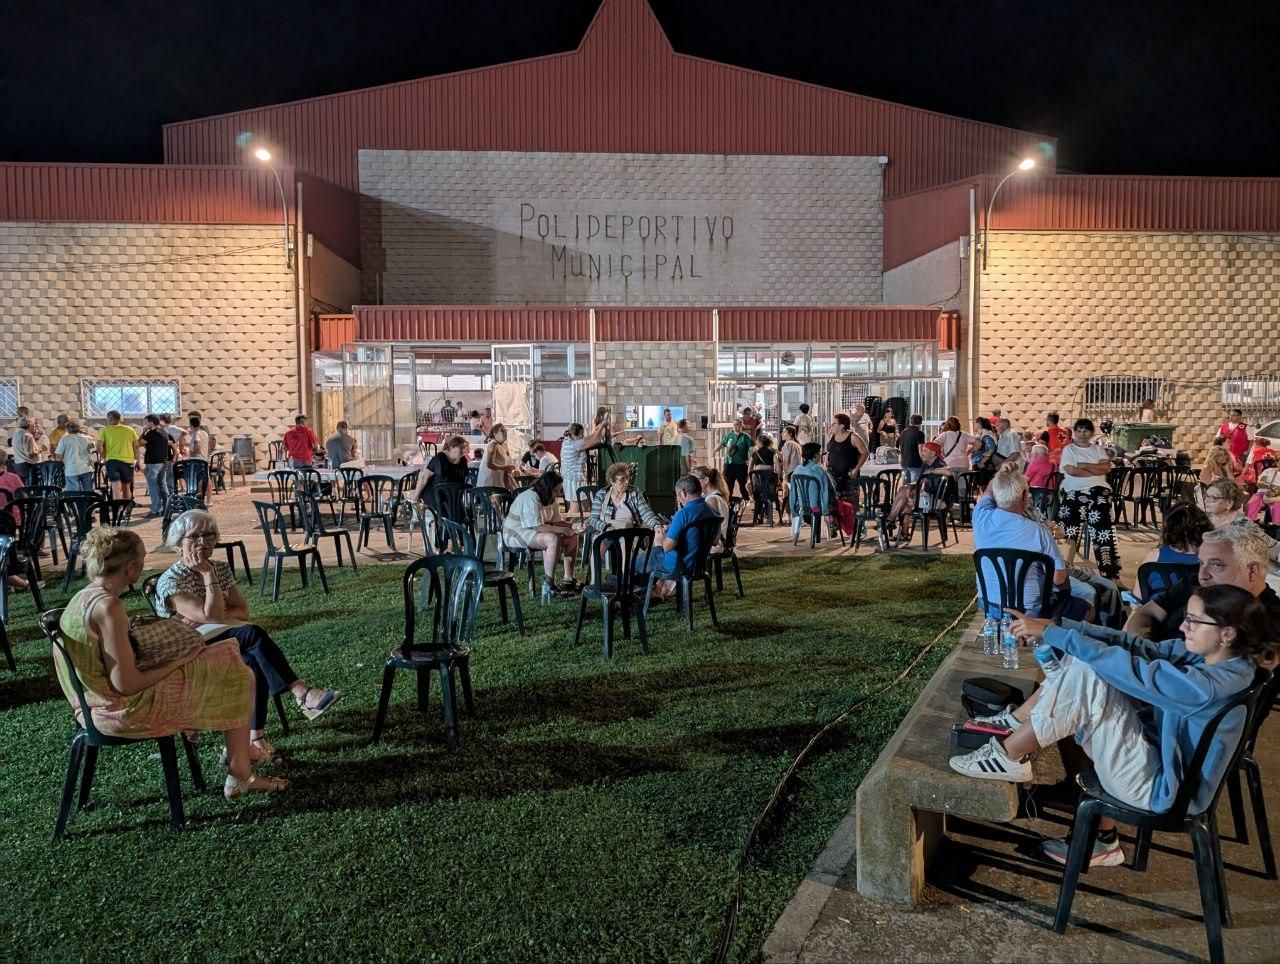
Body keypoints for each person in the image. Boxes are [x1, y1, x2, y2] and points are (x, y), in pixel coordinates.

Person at [952, 584, 1268, 867]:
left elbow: (1139, 673)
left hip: (1160, 791)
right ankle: (1013, 742)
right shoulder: (1221, 661)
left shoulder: (1207, 686)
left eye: (1194, 621)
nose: (1184, 626)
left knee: (1089, 672)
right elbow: (1142, 649)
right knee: (1084, 664)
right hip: (1159, 763)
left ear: (1227, 633)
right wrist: (1058, 626)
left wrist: (1056, 636)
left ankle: (1008, 751)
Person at [55, 527, 287, 799]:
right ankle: (240, 771)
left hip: (93, 703)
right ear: (131, 567)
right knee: (236, 672)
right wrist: (179, 660)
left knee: (228, 662)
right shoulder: (109, 608)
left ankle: (241, 757)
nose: (143, 566)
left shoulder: (84, 597)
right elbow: (126, 684)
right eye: (142, 560)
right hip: (123, 712)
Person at [158, 510, 342, 762]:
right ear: (179, 542)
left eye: (209, 535)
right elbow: (212, 617)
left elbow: (241, 612)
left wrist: (211, 608)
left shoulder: (220, 568)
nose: (203, 542)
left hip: (225, 637)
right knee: (253, 634)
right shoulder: (173, 578)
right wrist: (209, 581)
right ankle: (301, 693)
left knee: (253, 657)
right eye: (195, 537)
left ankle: (255, 739)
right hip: (188, 650)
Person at [1125, 522, 1280, 645]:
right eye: (1201, 563)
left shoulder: (1269, 622)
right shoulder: (1195, 583)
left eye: (1216, 564)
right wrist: (1147, 649)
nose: (1202, 575)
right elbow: (1148, 612)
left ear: (1252, 571)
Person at [971, 462, 1075, 617]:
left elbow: (988, 490)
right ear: (1025, 496)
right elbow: (1059, 578)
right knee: (1083, 601)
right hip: (1030, 611)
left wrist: (1001, 473)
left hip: (990, 605)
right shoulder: (1039, 532)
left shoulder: (980, 517)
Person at [638, 474, 721, 599]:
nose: (679, 500)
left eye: (678, 496)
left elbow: (666, 547)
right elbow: (715, 541)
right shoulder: (714, 512)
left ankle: (632, 595)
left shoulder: (683, 514)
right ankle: (651, 592)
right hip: (698, 566)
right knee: (648, 558)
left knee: (639, 560)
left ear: (683, 493)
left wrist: (660, 539)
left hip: (678, 565)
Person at [502, 470, 581, 597]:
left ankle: (569, 578)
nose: (558, 493)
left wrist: (574, 526)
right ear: (547, 488)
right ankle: (549, 585)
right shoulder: (530, 497)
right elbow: (537, 526)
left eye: (560, 490)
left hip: (532, 530)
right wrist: (564, 530)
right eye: (556, 490)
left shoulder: (551, 498)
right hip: (516, 532)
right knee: (552, 539)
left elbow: (556, 522)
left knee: (572, 536)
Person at [1058, 418, 1119, 579]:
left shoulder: (1099, 450)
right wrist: (1094, 469)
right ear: (1074, 432)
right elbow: (1071, 471)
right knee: (1068, 525)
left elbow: (1105, 468)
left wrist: (1082, 465)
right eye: (1079, 430)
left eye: (1086, 430)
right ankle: (1064, 566)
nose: (1082, 433)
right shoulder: (1069, 450)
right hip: (1074, 489)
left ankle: (1110, 571)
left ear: (1091, 432)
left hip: (1098, 490)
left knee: (1102, 527)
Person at [1134, 503, 1212, 600]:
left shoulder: (1155, 556)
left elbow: (1137, 599)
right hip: (1200, 612)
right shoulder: (1213, 558)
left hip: (1158, 612)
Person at [881, 440, 952, 547]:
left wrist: (932, 471)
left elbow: (949, 471)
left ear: (933, 453)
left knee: (905, 501)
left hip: (936, 500)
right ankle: (897, 527)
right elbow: (919, 481)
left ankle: (892, 521)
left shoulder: (939, 463)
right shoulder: (925, 464)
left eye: (925, 451)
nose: (922, 453)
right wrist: (911, 488)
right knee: (904, 494)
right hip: (925, 496)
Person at [410, 435, 470, 543]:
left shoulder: (462, 461)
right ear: (451, 447)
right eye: (461, 448)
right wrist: (415, 498)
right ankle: (442, 543)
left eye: (465, 448)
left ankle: (460, 543)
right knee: (446, 514)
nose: (464, 451)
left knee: (462, 515)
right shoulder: (439, 458)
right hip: (435, 494)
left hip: (452, 496)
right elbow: (424, 479)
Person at [588, 462, 662, 536]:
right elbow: (593, 519)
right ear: (612, 481)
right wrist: (607, 528)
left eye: (627, 477)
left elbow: (645, 513)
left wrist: (655, 525)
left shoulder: (634, 492)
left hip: (630, 534)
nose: (627, 482)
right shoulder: (602, 494)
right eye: (622, 479)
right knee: (600, 544)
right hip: (608, 533)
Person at [788, 442, 838, 539]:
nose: (820, 454)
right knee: (844, 506)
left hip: (802, 506)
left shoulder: (797, 470)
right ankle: (835, 528)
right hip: (817, 507)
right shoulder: (819, 470)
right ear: (815, 455)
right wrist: (825, 510)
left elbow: (793, 492)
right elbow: (830, 488)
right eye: (819, 452)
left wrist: (794, 509)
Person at [96, 410, 139, 502]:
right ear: (120, 418)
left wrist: (104, 457)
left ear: (109, 418)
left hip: (112, 461)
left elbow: (99, 448)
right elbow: (136, 446)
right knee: (126, 488)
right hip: (128, 462)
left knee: (116, 488)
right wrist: (137, 461)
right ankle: (127, 512)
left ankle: (118, 512)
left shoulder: (104, 430)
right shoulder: (130, 430)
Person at [561, 421, 609, 502]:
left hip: (572, 477)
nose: (582, 436)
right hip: (574, 479)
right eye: (581, 434)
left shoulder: (569, 440)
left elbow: (589, 438)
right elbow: (596, 440)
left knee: (584, 505)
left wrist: (598, 430)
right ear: (574, 435)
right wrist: (601, 426)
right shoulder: (575, 444)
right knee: (576, 506)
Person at [824, 413, 868, 501]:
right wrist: (825, 463)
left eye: (834, 424)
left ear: (841, 426)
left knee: (849, 502)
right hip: (833, 475)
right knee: (834, 503)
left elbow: (865, 453)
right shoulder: (832, 435)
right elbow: (829, 451)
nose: (832, 425)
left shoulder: (853, 437)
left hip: (848, 476)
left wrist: (856, 469)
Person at [139, 414, 175, 518]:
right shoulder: (164, 432)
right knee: (162, 484)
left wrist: (143, 431)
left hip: (154, 463)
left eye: (146, 422)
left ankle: (155, 509)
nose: (145, 424)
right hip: (163, 462)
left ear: (151, 422)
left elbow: (138, 443)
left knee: (152, 486)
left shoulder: (151, 433)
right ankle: (167, 507)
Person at [691, 465, 731, 548]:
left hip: (714, 543)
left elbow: (707, 527)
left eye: (695, 480)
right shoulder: (710, 497)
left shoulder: (712, 500)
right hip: (711, 540)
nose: (692, 484)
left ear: (706, 480)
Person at [55, 420, 96, 492]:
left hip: (71, 469)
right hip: (87, 468)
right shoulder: (88, 438)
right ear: (79, 428)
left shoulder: (64, 439)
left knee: (74, 494)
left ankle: (76, 503)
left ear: (67, 429)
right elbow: (93, 446)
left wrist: (60, 467)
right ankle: (87, 503)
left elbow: (58, 456)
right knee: (88, 493)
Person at [749, 433, 780, 526]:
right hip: (770, 486)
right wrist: (777, 477)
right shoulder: (772, 453)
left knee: (750, 487)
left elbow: (750, 468)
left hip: (757, 487)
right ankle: (767, 514)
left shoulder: (755, 453)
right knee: (769, 492)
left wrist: (751, 477)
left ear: (760, 443)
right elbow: (777, 467)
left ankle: (757, 508)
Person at [718, 418, 753, 500]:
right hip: (729, 464)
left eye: (737, 424)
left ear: (741, 425)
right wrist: (714, 450)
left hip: (741, 464)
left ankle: (745, 500)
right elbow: (722, 444)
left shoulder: (746, 437)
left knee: (743, 485)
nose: (735, 426)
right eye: (734, 424)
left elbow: (752, 448)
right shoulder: (729, 435)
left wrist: (752, 459)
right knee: (728, 485)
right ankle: (727, 503)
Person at [476, 423, 513, 489]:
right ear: (495, 434)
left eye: (506, 430)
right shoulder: (492, 445)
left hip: (499, 483)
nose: (505, 433)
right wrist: (505, 467)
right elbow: (489, 464)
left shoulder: (504, 445)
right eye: (502, 431)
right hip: (489, 484)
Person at [1245, 459, 1280, 525]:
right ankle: (1250, 523)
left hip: (1278, 497)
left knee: (1277, 507)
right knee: (1252, 503)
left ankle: (1276, 527)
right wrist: (1268, 485)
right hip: (1263, 492)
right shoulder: (1269, 471)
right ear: (1276, 462)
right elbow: (1259, 483)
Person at [10, 416, 42, 486]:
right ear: (29, 425)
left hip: (18, 464)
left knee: (23, 487)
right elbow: (30, 454)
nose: (35, 426)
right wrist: (40, 449)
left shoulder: (16, 434)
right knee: (31, 488)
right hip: (28, 466)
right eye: (34, 425)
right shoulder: (27, 436)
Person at [898, 414, 926, 486]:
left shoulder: (903, 432)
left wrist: (901, 459)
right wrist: (925, 462)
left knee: (906, 486)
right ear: (921, 422)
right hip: (915, 463)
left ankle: (906, 497)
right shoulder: (920, 433)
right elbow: (921, 450)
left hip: (905, 463)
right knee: (914, 487)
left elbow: (901, 448)